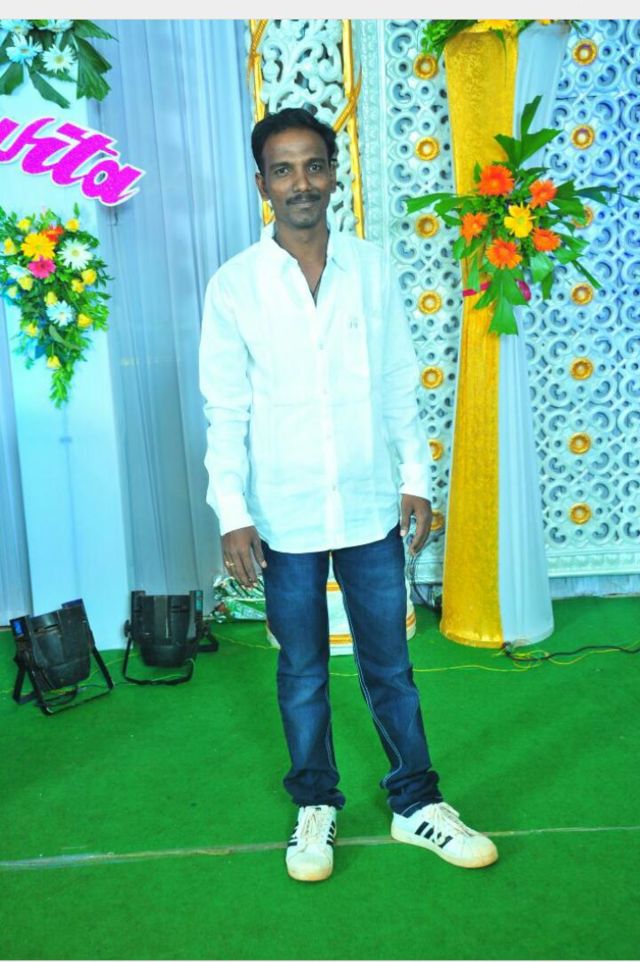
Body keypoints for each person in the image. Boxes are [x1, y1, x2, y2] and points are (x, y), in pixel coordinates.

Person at [199, 107, 498, 882]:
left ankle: (416, 804)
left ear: (334, 174)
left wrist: (416, 479)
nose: (301, 182)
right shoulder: (235, 286)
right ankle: (315, 806)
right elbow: (225, 410)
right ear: (262, 184)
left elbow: (398, 380)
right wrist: (234, 514)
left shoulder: (371, 267)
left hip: (368, 505)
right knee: (301, 670)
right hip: (284, 513)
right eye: (283, 169)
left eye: (313, 165)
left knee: (390, 665)